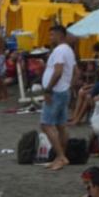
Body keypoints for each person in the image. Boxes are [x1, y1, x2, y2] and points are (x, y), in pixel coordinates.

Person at [40, 24, 76, 171]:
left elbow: (58, 71)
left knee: (46, 124)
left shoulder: (60, 50)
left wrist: (48, 89)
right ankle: (59, 157)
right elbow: (76, 72)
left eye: (52, 35)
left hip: (56, 91)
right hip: (63, 90)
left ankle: (61, 156)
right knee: (61, 125)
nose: (50, 38)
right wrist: (70, 87)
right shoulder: (68, 50)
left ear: (60, 35)